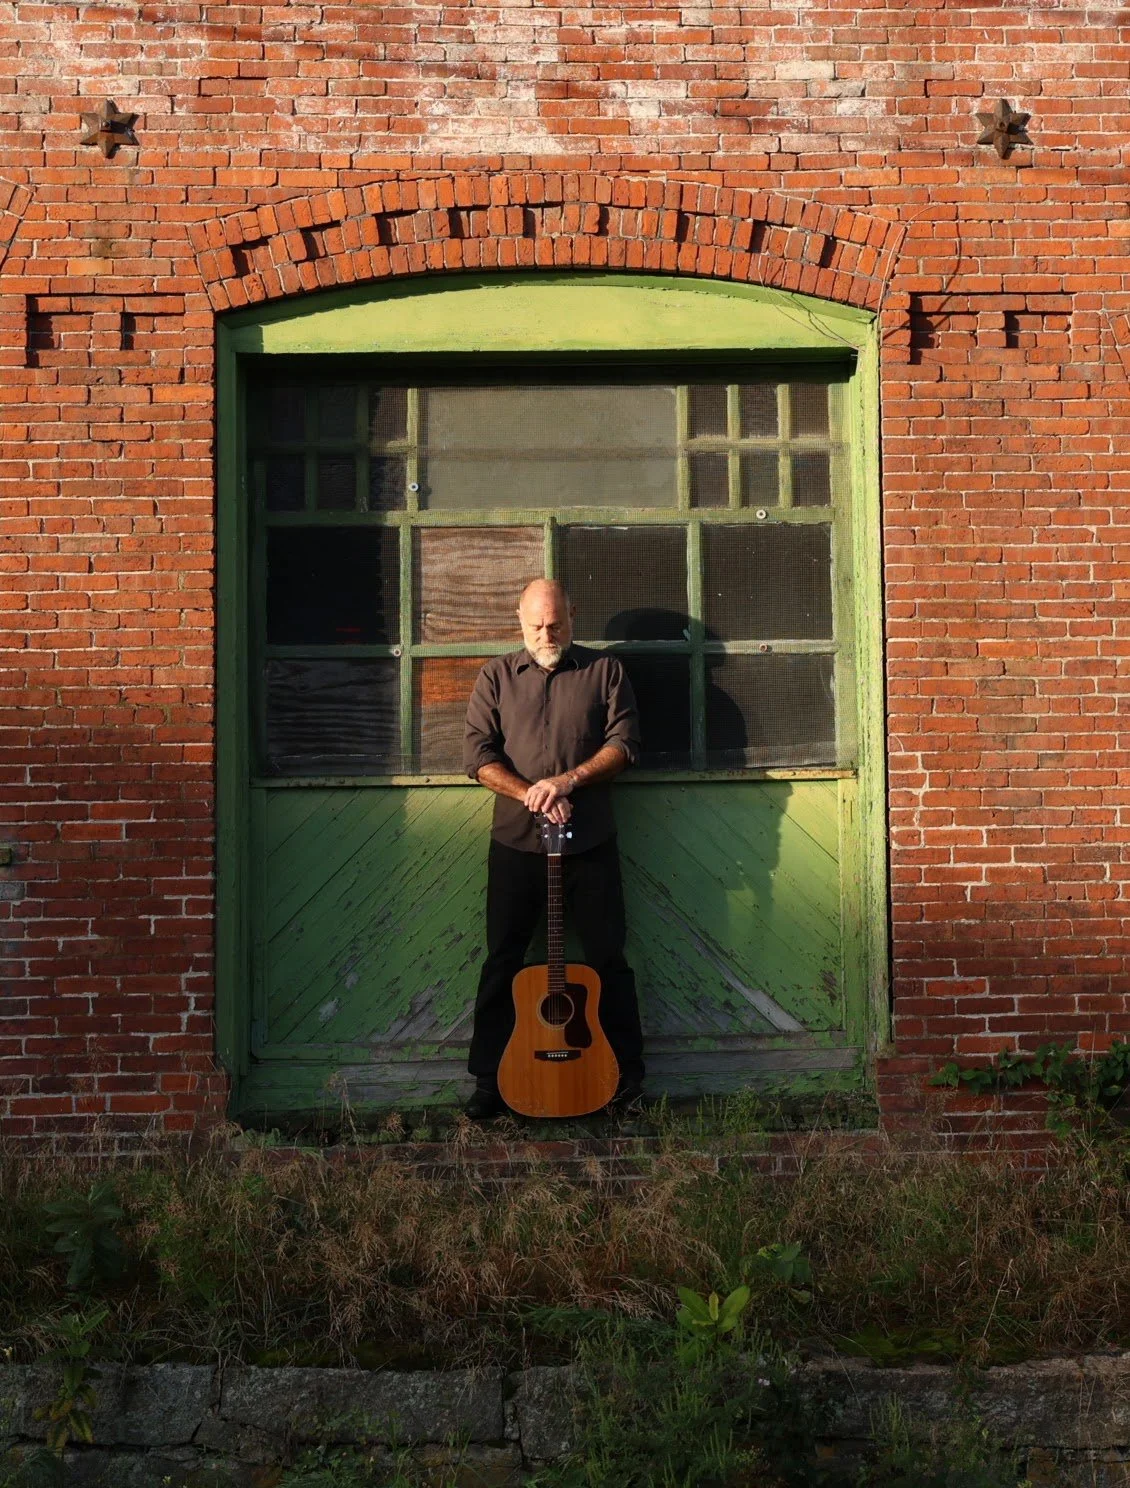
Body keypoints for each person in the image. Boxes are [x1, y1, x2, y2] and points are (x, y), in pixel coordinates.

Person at [462, 578, 645, 1120]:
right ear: (519, 619)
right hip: (517, 844)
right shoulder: (496, 676)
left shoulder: (604, 671)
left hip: (588, 841)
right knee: (503, 960)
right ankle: (491, 1083)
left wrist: (565, 782)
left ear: (573, 614)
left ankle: (626, 1080)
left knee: (608, 958)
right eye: (537, 625)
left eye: (556, 623)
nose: (547, 634)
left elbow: (625, 744)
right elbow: (476, 755)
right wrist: (533, 795)